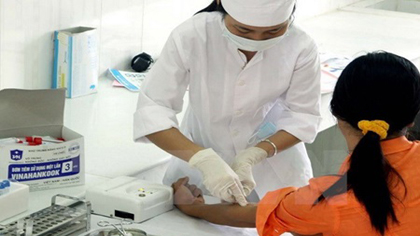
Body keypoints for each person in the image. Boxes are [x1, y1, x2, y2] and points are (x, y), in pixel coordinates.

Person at [172, 51, 420, 236]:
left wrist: (194, 207)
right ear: (411, 120)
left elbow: (256, 215)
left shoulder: (328, 200)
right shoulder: (335, 194)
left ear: (337, 115)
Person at [134, 0, 321, 205]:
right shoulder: (193, 35)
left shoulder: (301, 46)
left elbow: (303, 116)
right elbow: (153, 111)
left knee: (278, 222)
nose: (256, 40)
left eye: (273, 31)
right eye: (243, 29)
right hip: (197, 168)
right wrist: (203, 160)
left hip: (275, 170)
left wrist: (256, 153)